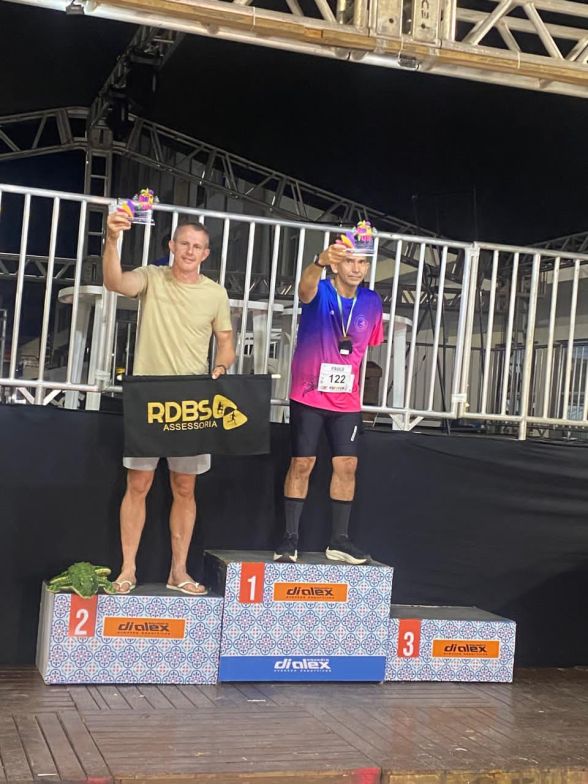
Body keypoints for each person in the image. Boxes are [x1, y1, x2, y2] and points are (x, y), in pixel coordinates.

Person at [103, 211, 235, 595]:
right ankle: (127, 569)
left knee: (185, 487)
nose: (190, 251)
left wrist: (222, 365)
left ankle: (179, 571)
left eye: (198, 246)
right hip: (148, 396)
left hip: (192, 400)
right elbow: (114, 282)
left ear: (206, 254)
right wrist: (112, 239)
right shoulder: (151, 277)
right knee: (138, 483)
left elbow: (226, 341)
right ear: (172, 246)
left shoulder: (215, 293)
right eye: (185, 244)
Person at [274, 243, 384, 564]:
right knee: (302, 463)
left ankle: (339, 540)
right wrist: (318, 262)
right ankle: (290, 538)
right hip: (308, 393)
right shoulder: (321, 289)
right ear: (336, 266)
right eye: (349, 261)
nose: (356, 268)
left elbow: (370, 342)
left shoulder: (371, 301)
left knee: (347, 465)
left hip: (346, 399)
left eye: (362, 262)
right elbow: (304, 289)